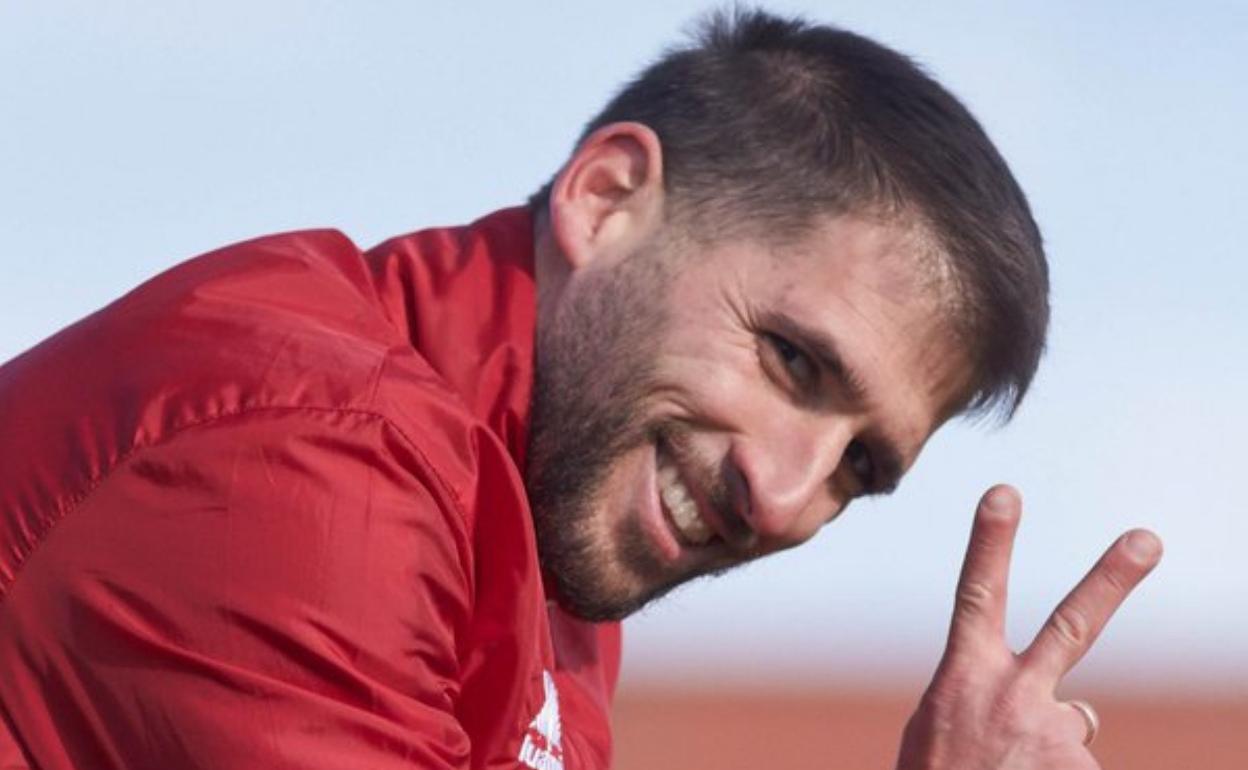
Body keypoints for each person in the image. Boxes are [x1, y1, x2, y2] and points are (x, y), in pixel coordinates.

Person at [0, 8, 1161, 770]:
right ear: (604, 200)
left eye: (860, 465)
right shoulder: (315, 456)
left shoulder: (551, 534)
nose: (784, 492)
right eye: (792, 359)